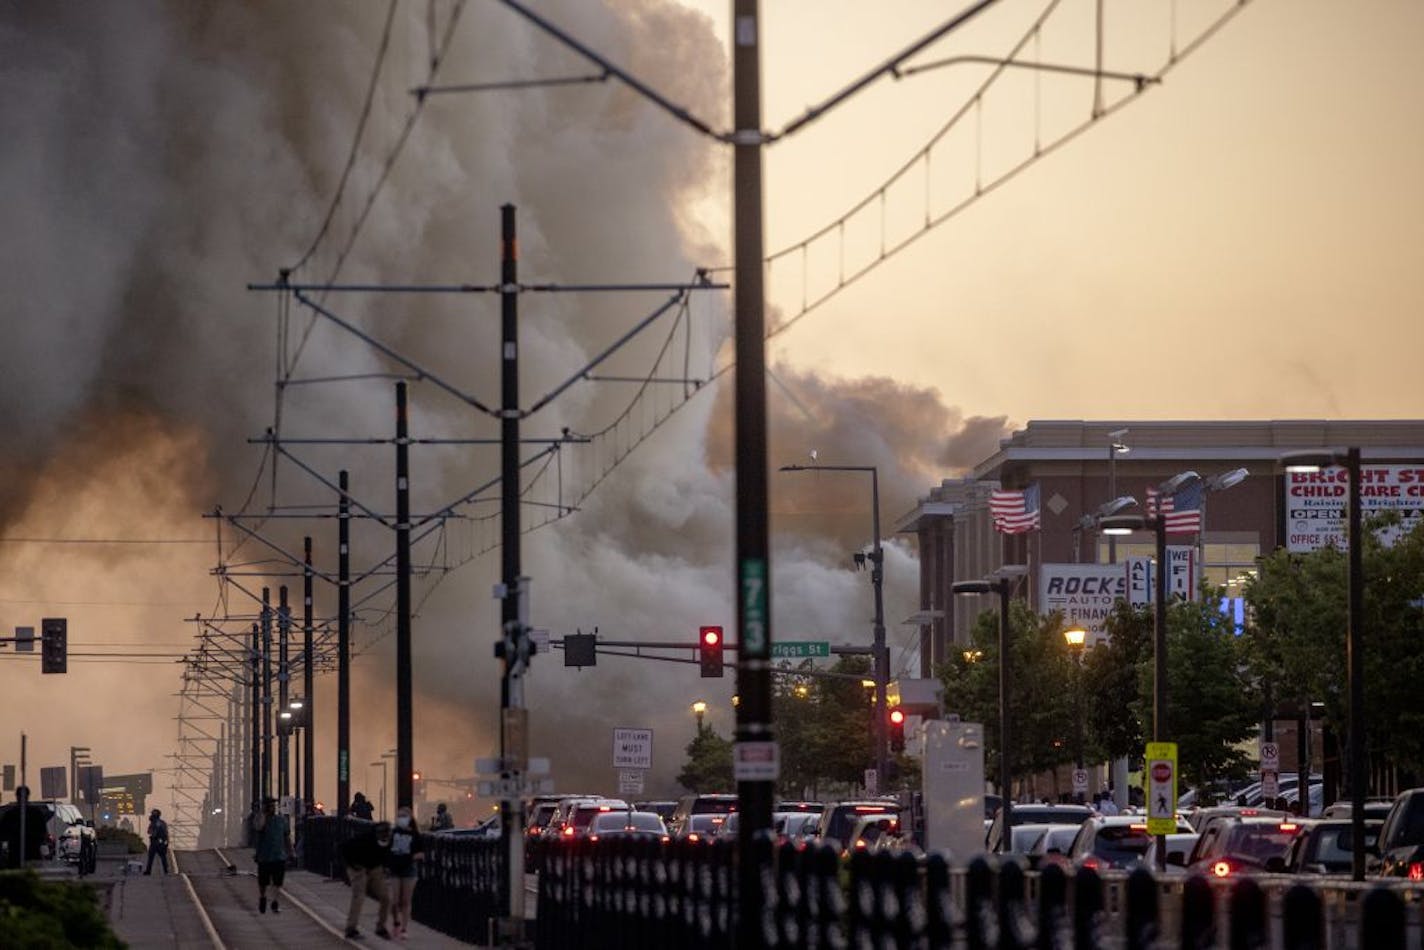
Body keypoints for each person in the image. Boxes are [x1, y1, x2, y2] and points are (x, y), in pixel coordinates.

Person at [342, 820, 393, 939]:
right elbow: (344, 848)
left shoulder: (389, 841)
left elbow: (386, 855)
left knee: (385, 897)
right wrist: (353, 866)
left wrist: (386, 867)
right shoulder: (365, 839)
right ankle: (351, 928)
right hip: (358, 867)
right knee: (359, 896)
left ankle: (381, 927)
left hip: (375, 867)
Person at [387, 806, 425, 938]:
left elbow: (421, 853)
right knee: (394, 900)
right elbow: (387, 848)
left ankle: (404, 928)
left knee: (406, 900)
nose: (401, 819)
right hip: (395, 869)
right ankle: (396, 922)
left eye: (404, 816)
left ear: (409, 818)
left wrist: (410, 857)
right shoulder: (393, 832)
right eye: (399, 816)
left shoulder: (415, 834)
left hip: (409, 869)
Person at [252, 797, 293, 914]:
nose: (272, 808)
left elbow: (286, 837)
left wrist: (291, 852)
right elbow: (258, 827)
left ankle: (275, 901)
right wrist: (263, 814)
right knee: (263, 882)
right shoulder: (260, 819)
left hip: (279, 855)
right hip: (264, 856)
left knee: (278, 881)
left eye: (273, 806)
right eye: (270, 806)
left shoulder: (281, 820)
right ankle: (263, 897)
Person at [0, 786, 50, 868]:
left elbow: (3, 834)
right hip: (27, 853)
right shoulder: (36, 813)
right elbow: (43, 833)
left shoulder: (11, 814)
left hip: (19, 853)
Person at [144, 808, 170, 875]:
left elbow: (152, 832)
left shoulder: (156, 823)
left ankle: (149, 871)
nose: (151, 816)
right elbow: (149, 831)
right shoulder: (161, 822)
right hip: (160, 842)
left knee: (153, 857)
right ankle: (165, 870)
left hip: (156, 842)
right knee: (161, 857)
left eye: (152, 814)